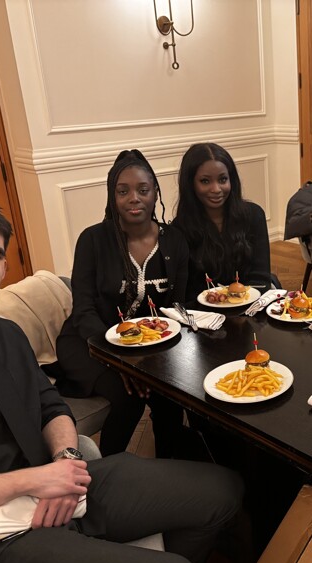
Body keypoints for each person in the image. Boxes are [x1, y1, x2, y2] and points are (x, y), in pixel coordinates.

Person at [0, 202, 243, 563]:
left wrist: (65, 459)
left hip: (57, 486)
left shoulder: (7, 334)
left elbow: (51, 406)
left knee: (222, 489)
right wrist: (34, 481)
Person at [55, 150, 189, 457]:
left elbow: (175, 306)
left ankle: (169, 463)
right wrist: (119, 361)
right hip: (90, 342)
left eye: (143, 190)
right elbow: (83, 310)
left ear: (155, 193)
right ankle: (107, 468)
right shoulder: (92, 240)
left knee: (171, 391)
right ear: (112, 196)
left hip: (147, 345)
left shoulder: (175, 240)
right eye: (123, 191)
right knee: (129, 396)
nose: (134, 198)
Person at [172, 142, 271, 299]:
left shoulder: (254, 215)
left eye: (223, 179)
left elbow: (261, 281)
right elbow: (188, 292)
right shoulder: (180, 228)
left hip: (252, 304)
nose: (216, 189)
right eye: (205, 181)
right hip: (205, 310)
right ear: (191, 184)